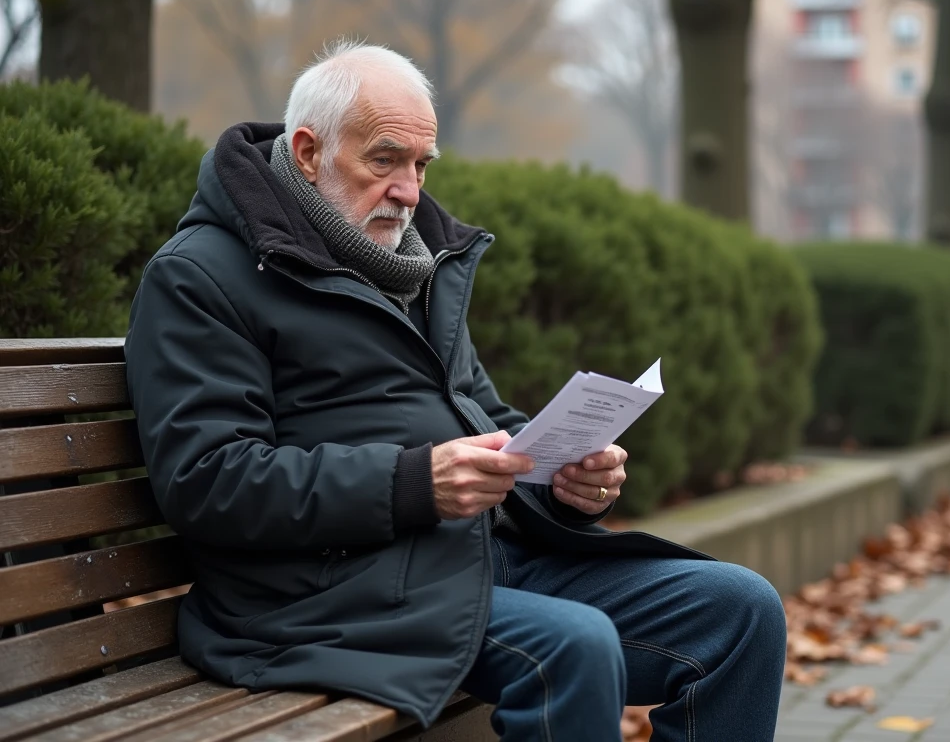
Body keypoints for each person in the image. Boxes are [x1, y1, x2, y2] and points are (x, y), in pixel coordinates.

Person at [125, 40, 786, 742]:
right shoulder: (198, 277)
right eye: (384, 160)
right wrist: (413, 483)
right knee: (573, 646)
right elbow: (207, 480)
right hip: (321, 597)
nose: (410, 191)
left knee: (742, 611)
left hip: (468, 561)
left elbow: (484, 416)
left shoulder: (412, 264)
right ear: (310, 152)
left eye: (419, 165)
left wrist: (559, 475)